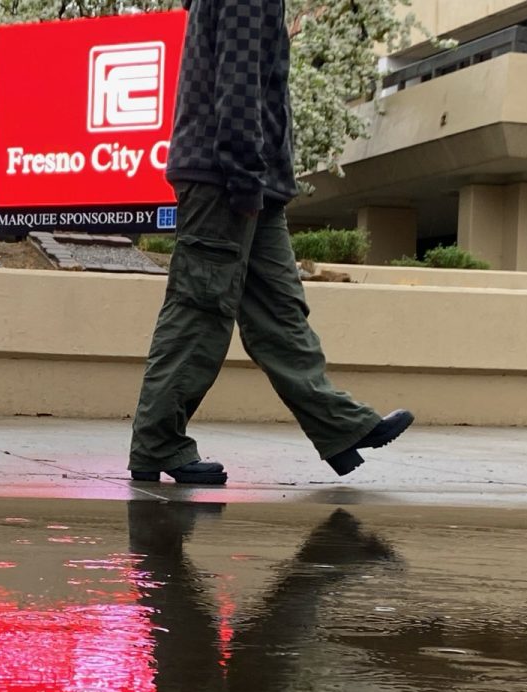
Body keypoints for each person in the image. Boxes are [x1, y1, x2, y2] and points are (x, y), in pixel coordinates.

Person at [128, 0, 413, 485]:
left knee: (279, 310)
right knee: (200, 309)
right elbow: (237, 87)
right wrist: (244, 178)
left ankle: (340, 426)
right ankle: (157, 443)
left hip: (254, 181)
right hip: (227, 178)